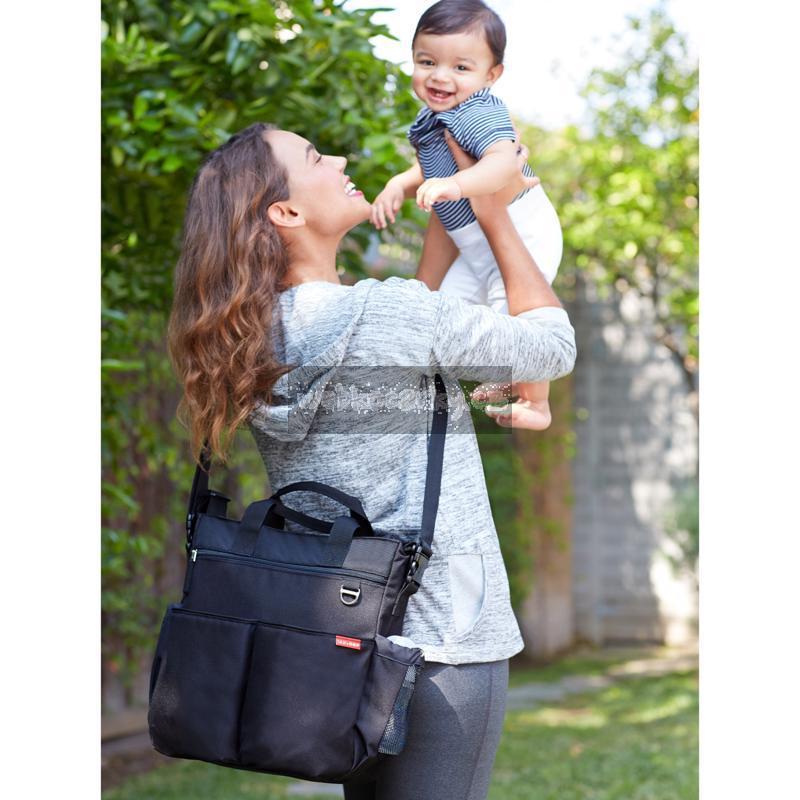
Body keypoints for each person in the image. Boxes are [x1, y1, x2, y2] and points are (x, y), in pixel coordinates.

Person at [167, 121, 576, 800]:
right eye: (314, 158)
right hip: (443, 635)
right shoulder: (392, 315)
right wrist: (493, 210)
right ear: (286, 213)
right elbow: (551, 347)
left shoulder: (241, 338)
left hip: (330, 647)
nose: (338, 159)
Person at [371, 0, 564, 431]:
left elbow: (502, 162)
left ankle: (536, 402)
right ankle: (504, 376)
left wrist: (457, 185)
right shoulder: (434, 116)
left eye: (461, 67)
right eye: (427, 62)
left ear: (490, 76)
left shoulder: (478, 111)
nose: (440, 76)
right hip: (474, 246)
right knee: (448, 310)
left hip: (522, 231)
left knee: (516, 314)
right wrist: (399, 184)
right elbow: (430, 166)